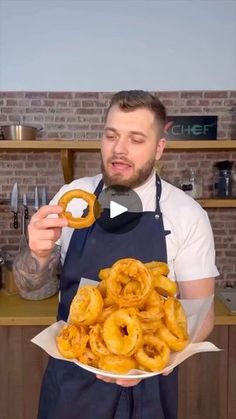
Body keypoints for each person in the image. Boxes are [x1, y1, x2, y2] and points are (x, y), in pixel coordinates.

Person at [13, 90, 218, 419]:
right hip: (72, 381)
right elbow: (31, 288)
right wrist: (36, 255)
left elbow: (201, 313)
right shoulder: (72, 198)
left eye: (136, 139)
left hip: (149, 386)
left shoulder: (185, 213)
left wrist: (152, 361)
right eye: (111, 136)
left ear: (159, 147)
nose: (119, 150)